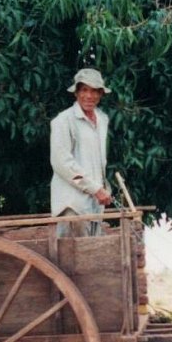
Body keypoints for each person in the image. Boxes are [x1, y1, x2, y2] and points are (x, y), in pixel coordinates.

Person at [50, 68, 113, 237]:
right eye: (84, 90)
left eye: (94, 91)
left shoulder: (102, 119)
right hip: (73, 206)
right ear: (76, 93)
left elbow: (98, 163)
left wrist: (102, 189)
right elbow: (62, 163)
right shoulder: (63, 121)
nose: (89, 96)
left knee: (91, 259)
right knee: (72, 261)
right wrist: (95, 189)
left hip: (94, 207)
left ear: (101, 94)